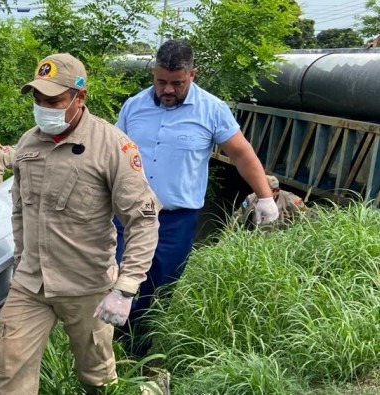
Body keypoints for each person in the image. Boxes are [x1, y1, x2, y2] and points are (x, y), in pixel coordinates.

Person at [0, 53, 160, 395]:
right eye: (37, 100)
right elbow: (20, 211)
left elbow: (143, 218)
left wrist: (125, 287)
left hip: (87, 285)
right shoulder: (27, 145)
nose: (42, 107)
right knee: (7, 367)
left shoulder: (112, 146)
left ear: (79, 98)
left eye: (53, 100)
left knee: (96, 376)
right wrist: (21, 261)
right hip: (31, 283)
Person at [113, 39, 280, 358]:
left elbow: (242, 154)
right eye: (161, 81)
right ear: (153, 74)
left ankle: (137, 355)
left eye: (177, 83)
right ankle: (106, 349)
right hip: (128, 215)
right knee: (119, 280)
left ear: (193, 75)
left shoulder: (212, 110)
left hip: (176, 220)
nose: (168, 90)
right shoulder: (133, 107)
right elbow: (111, 154)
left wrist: (264, 196)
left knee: (159, 289)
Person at [235, 175, 307, 224]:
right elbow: (236, 219)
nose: (275, 193)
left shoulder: (290, 200)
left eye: (277, 190)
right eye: (261, 189)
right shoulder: (251, 199)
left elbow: (309, 218)